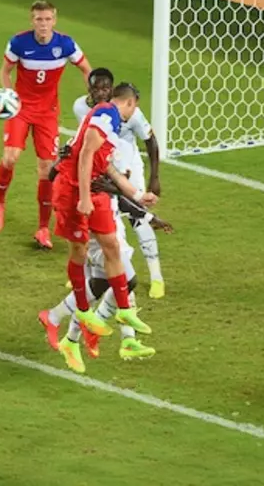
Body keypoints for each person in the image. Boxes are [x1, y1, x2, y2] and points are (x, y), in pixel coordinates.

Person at [51, 83, 158, 372]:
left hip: (93, 195)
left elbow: (106, 167)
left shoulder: (108, 124)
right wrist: (85, 197)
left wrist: (138, 196)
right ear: (131, 104)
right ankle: (79, 316)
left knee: (112, 248)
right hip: (73, 191)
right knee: (79, 252)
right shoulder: (108, 115)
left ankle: (123, 313)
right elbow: (85, 154)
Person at [39, 175, 171, 372]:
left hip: (113, 238)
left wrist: (149, 217)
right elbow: (55, 174)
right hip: (99, 243)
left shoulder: (102, 168)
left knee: (100, 286)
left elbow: (121, 201)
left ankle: (73, 332)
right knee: (127, 281)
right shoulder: (85, 169)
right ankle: (73, 323)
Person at [0, 0, 92, 249]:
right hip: (21, 110)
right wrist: (9, 95)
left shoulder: (66, 44)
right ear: (31, 20)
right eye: (38, 19)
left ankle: (43, 228)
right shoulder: (19, 43)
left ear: (54, 21)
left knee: (47, 169)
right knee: (10, 157)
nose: (43, 24)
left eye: (47, 19)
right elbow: (5, 71)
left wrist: (94, 95)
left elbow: (87, 70)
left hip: (48, 113)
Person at [73, 73, 165, 298]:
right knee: (94, 224)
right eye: (97, 88)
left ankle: (156, 277)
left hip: (127, 170)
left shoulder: (129, 111)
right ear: (89, 89)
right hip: (102, 169)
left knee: (138, 216)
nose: (101, 92)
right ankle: (92, 275)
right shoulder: (81, 108)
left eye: (106, 89)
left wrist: (155, 177)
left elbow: (150, 140)